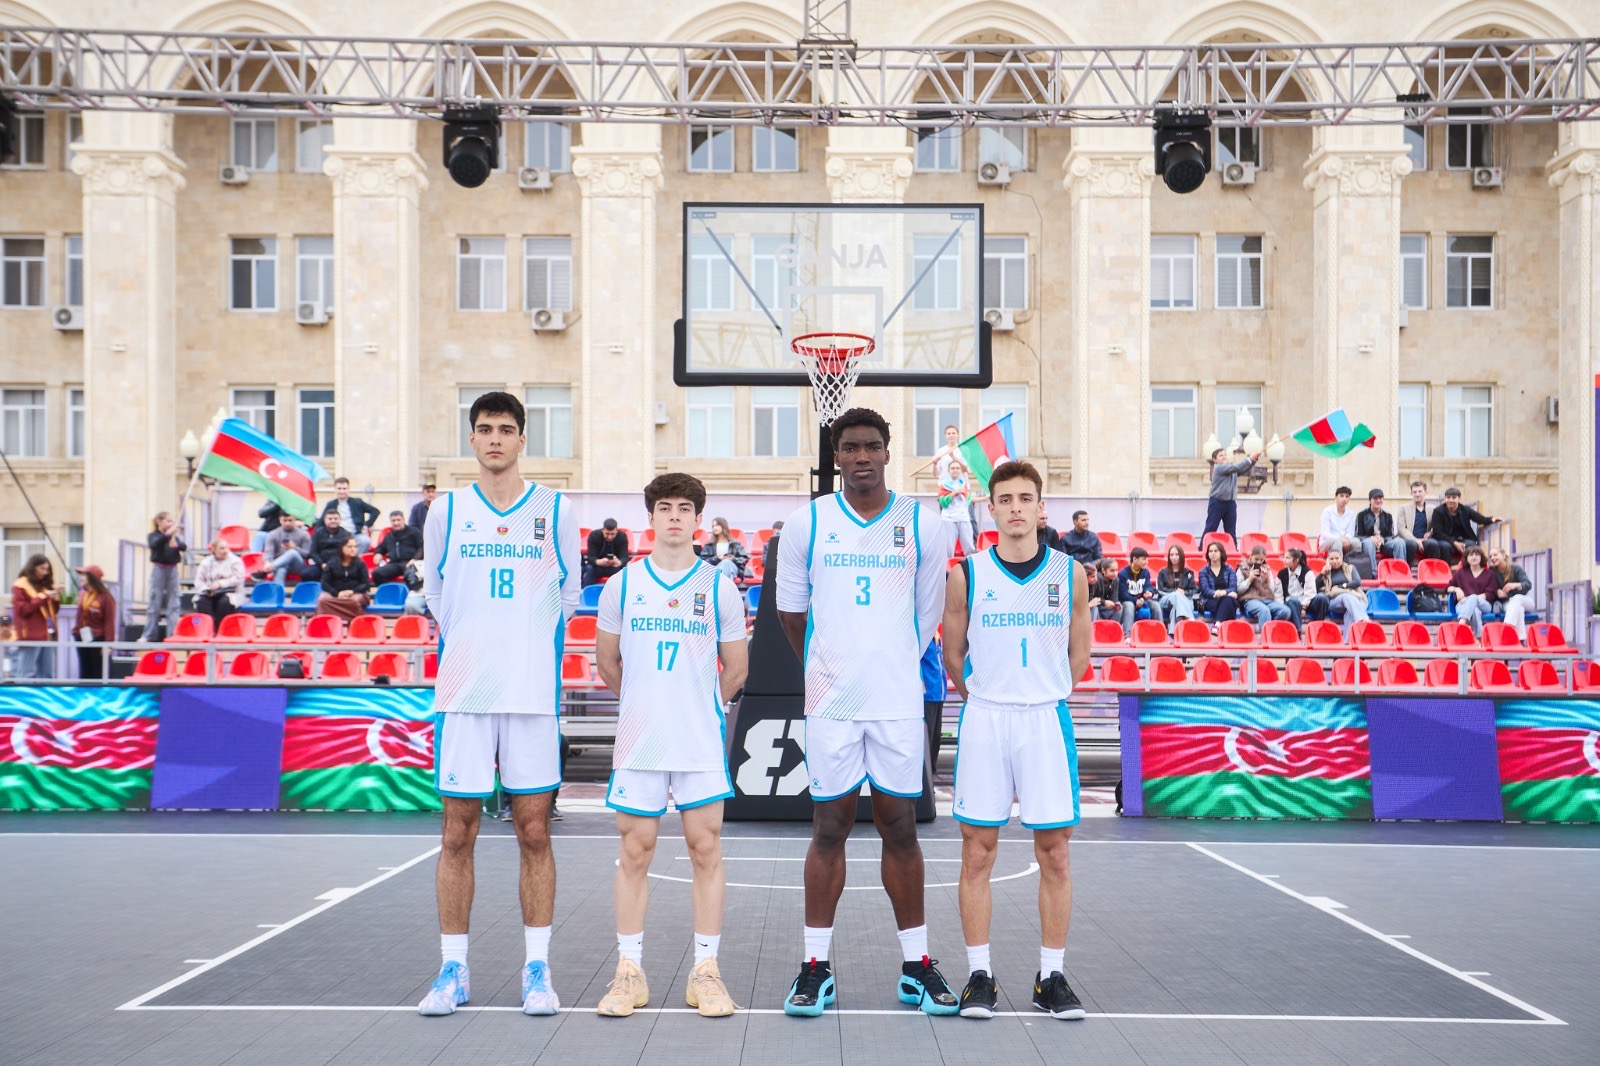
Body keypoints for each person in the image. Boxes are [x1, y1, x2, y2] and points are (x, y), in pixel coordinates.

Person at [775, 407, 955, 1018]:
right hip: (832, 702)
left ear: (887, 452)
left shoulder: (925, 525)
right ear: (836, 456)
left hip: (896, 701)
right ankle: (815, 967)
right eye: (849, 447)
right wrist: (830, 666)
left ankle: (917, 966)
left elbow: (927, 615)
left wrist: (888, 661)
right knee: (829, 827)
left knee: (900, 826)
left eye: (871, 446)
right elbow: (792, 613)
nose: (861, 457)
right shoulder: (807, 523)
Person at [417, 391, 580, 1018]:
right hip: (465, 694)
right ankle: (452, 969)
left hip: (530, 695)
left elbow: (568, 596)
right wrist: (476, 644)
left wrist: (523, 646)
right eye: (484, 428)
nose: (494, 439)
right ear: (472, 438)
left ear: (521, 439)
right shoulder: (447, 511)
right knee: (457, 832)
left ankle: (537, 970)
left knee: (534, 831)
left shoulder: (555, 509)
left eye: (505, 429)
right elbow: (437, 594)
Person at [593, 472, 748, 1019]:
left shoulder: (718, 586)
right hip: (641, 738)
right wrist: (646, 701)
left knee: (706, 849)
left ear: (698, 519)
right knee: (635, 851)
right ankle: (628, 972)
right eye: (665, 507)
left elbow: (736, 668)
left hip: (697, 739)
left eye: (685, 507)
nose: (675, 516)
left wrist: (699, 705)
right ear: (651, 517)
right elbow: (607, 662)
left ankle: (706, 971)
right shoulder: (622, 585)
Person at [942, 459, 1089, 1022]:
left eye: (1026, 498)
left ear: (1040, 506)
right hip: (986, 718)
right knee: (977, 851)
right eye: (1005, 499)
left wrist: (1038, 690)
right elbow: (953, 655)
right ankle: (979, 975)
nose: (1016, 508)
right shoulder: (968, 574)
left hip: (1044, 720)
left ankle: (1051, 977)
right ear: (991, 509)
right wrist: (987, 694)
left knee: (1055, 853)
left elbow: (1080, 656)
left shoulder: (1069, 574)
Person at [10, 554, 58, 678]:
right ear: (33, 567)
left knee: (47, 674)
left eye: (47, 569)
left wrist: (55, 599)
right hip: (30, 636)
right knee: (27, 674)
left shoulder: (44, 585)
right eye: (42, 569)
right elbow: (23, 610)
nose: (45, 573)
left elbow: (53, 611)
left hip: (48, 634)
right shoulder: (20, 586)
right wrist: (42, 597)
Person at [140, 511, 185, 642]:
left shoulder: (174, 537)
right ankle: (149, 635)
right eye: (168, 521)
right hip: (159, 569)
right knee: (154, 602)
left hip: (172, 569)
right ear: (159, 522)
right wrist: (167, 534)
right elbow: (155, 544)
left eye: (171, 521)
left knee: (174, 603)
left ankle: (173, 634)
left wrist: (177, 544)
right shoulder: (153, 536)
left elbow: (184, 547)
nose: (171, 523)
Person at [1202, 446, 1261, 541]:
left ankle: (1232, 548)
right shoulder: (1219, 468)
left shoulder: (1230, 469)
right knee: (1211, 528)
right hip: (1217, 502)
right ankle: (1202, 547)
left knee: (1231, 531)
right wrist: (1250, 458)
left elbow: (1241, 469)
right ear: (1215, 460)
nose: (1224, 457)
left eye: (1225, 455)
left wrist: (1253, 460)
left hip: (1230, 504)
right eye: (1221, 455)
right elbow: (1237, 467)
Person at [1427, 488, 1498, 565]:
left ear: (1459, 499)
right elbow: (1438, 532)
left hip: (1463, 539)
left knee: (1472, 545)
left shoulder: (1465, 509)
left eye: (1454, 498)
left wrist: (1492, 520)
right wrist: (1454, 542)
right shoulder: (1438, 511)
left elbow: (1480, 519)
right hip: (1446, 540)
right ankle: (1446, 569)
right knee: (1444, 546)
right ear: (1445, 499)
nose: (1451, 500)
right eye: (1448, 497)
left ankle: (1472, 568)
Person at [73, 564, 116, 680]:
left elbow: (109, 622)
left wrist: (108, 644)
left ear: (92, 578)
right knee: (85, 671)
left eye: (84, 575)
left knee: (98, 672)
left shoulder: (106, 597)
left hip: (97, 638)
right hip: (81, 636)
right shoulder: (83, 593)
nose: (81, 578)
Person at [1236, 545, 1293, 630]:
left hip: (1267, 599)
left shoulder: (1266, 569)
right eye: (1256, 559)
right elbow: (1238, 590)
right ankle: (1266, 635)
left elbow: (1272, 590)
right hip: (1250, 600)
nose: (1259, 562)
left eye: (1261, 560)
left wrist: (1267, 579)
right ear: (1251, 556)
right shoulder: (1242, 568)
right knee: (1264, 611)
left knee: (1286, 611)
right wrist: (1250, 579)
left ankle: (1272, 630)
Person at [192, 538, 246, 627]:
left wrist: (220, 584)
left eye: (226, 548)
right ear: (214, 550)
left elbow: (238, 579)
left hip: (230, 592)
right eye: (222, 548)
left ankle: (220, 628)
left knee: (224, 603)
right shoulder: (206, 562)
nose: (225, 551)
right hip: (210, 592)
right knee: (201, 602)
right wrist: (206, 589)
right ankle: (208, 628)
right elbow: (198, 581)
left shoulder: (236, 561)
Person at [1355, 489, 1411, 574]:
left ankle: (1400, 572)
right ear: (1370, 500)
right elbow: (1358, 536)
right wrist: (1371, 538)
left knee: (1400, 542)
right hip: (1368, 543)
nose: (1378, 501)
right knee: (1368, 543)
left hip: (1384, 543)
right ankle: (1372, 573)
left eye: (1380, 498)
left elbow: (1391, 536)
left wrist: (1382, 539)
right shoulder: (1361, 515)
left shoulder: (1388, 516)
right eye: (1375, 498)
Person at [1317, 545, 1369, 637]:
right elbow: (1315, 587)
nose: (1334, 561)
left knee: (1350, 612)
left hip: (1353, 599)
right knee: (1346, 596)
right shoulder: (1326, 573)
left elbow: (1357, 582)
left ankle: (1347, 641)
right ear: (1328, 560)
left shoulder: (1350, 568)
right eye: (1331, 559)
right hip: (1334, 601)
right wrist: (1322, 574)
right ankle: (1363, 621)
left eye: (1337, 558)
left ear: (1342, 558)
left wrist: (1341, 587)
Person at [1449, 545, 1500, 636]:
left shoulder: (1490, 574)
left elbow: (1490, 593)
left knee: (1473, 598)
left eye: (1477, 554)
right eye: (1471, 555)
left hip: (1484, 605)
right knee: (1475, 610)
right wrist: (1456, 589)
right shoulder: (1460, 573)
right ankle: (1478, 638)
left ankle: (1461, 624)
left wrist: (1471, 599)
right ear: (1466, 558)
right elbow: (1448, 588)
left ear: (1481, 557)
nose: (1474, 557)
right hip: (1462, 605)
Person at [316, 537, 371, 621]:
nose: (353, 549)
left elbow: (366, 584)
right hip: (336, 593)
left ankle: (355, 623)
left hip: (355, 593)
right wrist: (337, 593)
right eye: (350, 547)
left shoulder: (360, 564)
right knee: (322, 600)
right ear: (342, 548)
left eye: (355, 547)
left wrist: (352, 591)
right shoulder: (332, 563)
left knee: (354, 601)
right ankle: (326, 623)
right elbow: (325, 583)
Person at [321, 477, 380, 553]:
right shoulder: (331, 504)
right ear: (335, 489)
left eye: (344, 488)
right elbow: (322, 520)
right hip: (337, 534)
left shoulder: (357, 502)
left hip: (355, 534)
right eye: (339, 488)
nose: (342, 491)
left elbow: (375, 511)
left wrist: (366, 525)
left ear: (348, 489)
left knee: (365, 541)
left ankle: (357, 559)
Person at [1488, 548, 1536, 638]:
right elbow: (1489, 586)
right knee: (1519, 610)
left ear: (1503, 555)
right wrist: (1497, 590)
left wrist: (1515, 585)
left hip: (1524, 600)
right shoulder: (1492, 571)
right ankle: (1521, 640)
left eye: (1495, 555)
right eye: (1490, 556)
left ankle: (1507, 629)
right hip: (1507, 603)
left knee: (1517, 598)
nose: (1492, 558)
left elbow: (1528, 584)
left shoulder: (1516, 568)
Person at [1277, 547, 1328, 632]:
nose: (1284, 560)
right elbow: (1278, 594)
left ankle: (1318, 628)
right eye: (1284, 557)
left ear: (1296, 560)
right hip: (1291, 603)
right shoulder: (1281, 573)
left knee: (1322, 598)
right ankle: (1297, 632)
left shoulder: (1307, 572)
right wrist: (1281, 606)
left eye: (1287, 558)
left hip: (1307, 603)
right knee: (1293, 600)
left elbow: (1310, 593)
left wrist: (1304, 607)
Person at [257, 514, 313, 585]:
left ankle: (265, 571)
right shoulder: (273, 534)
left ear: (295, 520)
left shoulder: (303, 534)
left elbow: (308, 554)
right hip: (279, 564)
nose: (287, 523)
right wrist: (267, 562)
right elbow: (268, 552)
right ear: (280, 520)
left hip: (298, 565)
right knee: (281, 569)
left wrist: (295, 548)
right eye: (285, 520)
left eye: (290, 520)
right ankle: (279, 591)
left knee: (292, 552)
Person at [371, 511, 423, 585]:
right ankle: (392, 590)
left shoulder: (414, 532)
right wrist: (378, 553)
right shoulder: (389, 536)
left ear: (403, 520)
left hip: (410, 562)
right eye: (393, 521)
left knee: (410, 575)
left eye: (398, 520)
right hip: (394, 564)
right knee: (376, 573)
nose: (396, 523)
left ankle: (409, 592)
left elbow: (422, 547)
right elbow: (381, 547)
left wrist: (415, 559)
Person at [1154, 545, 1197, 632]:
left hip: (1185, 600)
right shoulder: (1162, 572)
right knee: (1177, 595)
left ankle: (1173, 632)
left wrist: (1184, 592)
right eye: (1171, 555)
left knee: (1176, 608)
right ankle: (1190, 618)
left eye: (1177, 554)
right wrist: (1175, 592)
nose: (1174, 557)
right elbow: (1160, 590)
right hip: (1166, 600)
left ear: (1181, 556)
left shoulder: (1188, 572)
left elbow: (1194, 589)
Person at [1115, 548, 1157, 636]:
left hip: (1142, 600)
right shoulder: (1123, 573)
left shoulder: (1145, 572)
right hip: (1128, 601)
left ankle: (1159, 632)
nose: (1146, 562)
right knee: (1129, 605)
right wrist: (1135, 600)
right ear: (1134, 559)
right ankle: (1128, 635)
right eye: (1143, 559)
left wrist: (1149, 592)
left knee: (1155, 605)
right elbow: (1122, 594)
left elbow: (1148, 586)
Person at [939, 459, 977, 557]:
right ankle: (947, 565)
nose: (955, 470)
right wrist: (955, 493)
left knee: (969, 545)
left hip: (963, 517)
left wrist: (986, 498)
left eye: (957, 468)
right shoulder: (944, 485)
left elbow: (969, 499)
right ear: (948, 471)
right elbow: (943, 503)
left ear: (960, 470)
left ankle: (970, 564)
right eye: (953, 468)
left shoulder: (963, 484)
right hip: (949, 519)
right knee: (948, 547)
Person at [1197, 541, 1238, 626]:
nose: (1213, 553)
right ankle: (1227, 628)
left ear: (1221, 553)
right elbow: (1205, 590)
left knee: (1228, 601)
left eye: (1215, 551)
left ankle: (1217, 624)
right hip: (1210, 600)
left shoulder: (1229, 569)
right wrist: (1215, 593)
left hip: (1226, 598)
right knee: (1230, 605)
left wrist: (1224, 592)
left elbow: (1233, 587)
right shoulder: (1204, 571)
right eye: (1210, 551)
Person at [699, 516, 750, 582]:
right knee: (726, 567)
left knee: (726, 562)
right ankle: (725, 585)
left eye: (717, 525)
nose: (714, 528)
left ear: (723, 526)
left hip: (732, 567)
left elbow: (744, 559)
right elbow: (703, 561)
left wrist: (733, 559)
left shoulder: (735, 544)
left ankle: (719, 584)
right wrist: (717, 559)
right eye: (713, 526)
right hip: (714, 569)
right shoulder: (709, 545)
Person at [307, 509, 353, 581]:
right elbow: (313, 552)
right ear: (325, 520)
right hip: (321, 565)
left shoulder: (346, 534)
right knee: (307, 574)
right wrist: (321, 564)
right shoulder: (318, 533)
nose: (333, 521)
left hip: (339, 565)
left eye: (335, 519)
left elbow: (348, 552)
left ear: (340, 520)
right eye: (330, 519)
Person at [584, 519, 630, 586]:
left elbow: (625, 557)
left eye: (613, 534)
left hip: (615, 567)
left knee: (623, 571)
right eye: (607, 534)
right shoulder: (594, 535)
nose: (610, 537)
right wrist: (598, 562)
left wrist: (619, 562)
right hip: (597, 566)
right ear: (603, 530)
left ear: (616, 530)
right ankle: (586, 590)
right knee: (590, 569)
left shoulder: (622, 536)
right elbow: (590, 557)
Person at [1318, 487, 1360, 559]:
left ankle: (1349, 561)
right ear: (1336, 497)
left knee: (1357, 542)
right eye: (1341, 496)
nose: (1344, 499)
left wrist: (1346, 539)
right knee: (1337, 542)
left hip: (1344, 541)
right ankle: (1337, 564)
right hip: (1326, 542)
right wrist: (1340, 539)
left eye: (1347, 496)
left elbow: (1350, 532)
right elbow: (1325, 533)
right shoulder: (1327, 512)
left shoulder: (1350, 513)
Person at [1399, 480, 1436, 561]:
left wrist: (1430, 533)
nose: (1417, 494)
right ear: (1411, 493)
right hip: (1409, 539)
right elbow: (1401, 528)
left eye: (1420, 491)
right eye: (1414, 492)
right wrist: (1415, 540)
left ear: (1425, 492)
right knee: (1411, 545)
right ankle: (1406, 568)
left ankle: (1432, 568)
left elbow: (1435, 527)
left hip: (1425, 540)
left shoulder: (1432, 509)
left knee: (1433, 544)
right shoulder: (1403, 508)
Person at [1086, 558, 1120, 622]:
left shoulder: (1116, 580)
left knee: (1119, 609)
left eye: (1116, 570)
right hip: (1096, 607)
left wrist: (1115, 604)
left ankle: (1112, 626)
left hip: (1105, 608)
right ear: (1103, 570)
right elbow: (1091, 599)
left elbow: (1115, 597)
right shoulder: (1096, 580)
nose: (1115, 573)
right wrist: (1104, 602)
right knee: (1094, 608)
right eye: (1112, 571)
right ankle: (1094, 626)